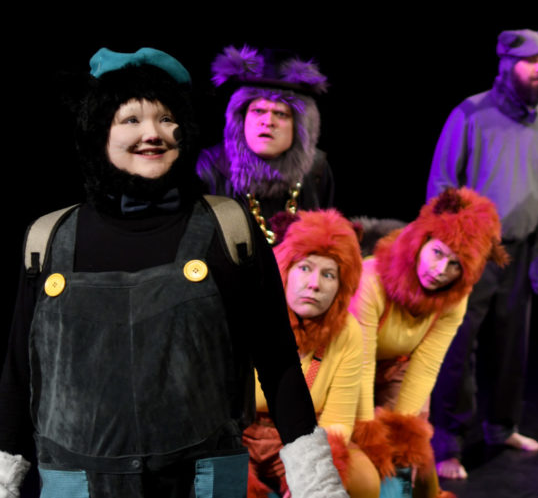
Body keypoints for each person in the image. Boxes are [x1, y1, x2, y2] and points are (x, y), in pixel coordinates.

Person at [0, 48, 347, 498]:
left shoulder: (229, 229)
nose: (153, 133)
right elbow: (19, 375)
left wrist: (317, 485)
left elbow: (279, 364)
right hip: (77, 484)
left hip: (200, 484)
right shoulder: (49, 239)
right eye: (131, 119)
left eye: (166, 118)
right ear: (99, 131)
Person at [427, 25, 538, 478]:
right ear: (507, 65)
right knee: (459, 345)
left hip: (521, 248)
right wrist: (448, 249)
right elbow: (443, 183)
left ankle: (502, 426)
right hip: (472, 249)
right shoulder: (471, 113)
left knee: (513, 346)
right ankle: (449, 443)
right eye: (530, 62)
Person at [349, 187, 507, 497]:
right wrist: (369, 432)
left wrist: (403, 430)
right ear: (421, 241)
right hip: (348, 368)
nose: (440, 271)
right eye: (437, 253)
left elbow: (426, 365)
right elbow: (359, 363)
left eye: (455, 264)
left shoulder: (454, 297)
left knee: (410, 451)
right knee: (361, 455)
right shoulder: (372, 279)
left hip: (398, 368)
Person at [244, 209, 380, 498]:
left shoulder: (347, 331)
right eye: (305, 268)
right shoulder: (250, 314)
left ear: (341, 286)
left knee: (365, 481)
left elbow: (338, 421)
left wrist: (311, 476)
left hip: (304, 435)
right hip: (241, 434)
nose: (315, 284)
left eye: (328, 274)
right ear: (285, 270)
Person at [197, 44, 334, 244]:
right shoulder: (209, 167)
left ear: (300, 127)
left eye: (281, 114)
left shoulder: (317, 170)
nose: (268, 121)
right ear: (240, 119)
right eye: (258, 111)